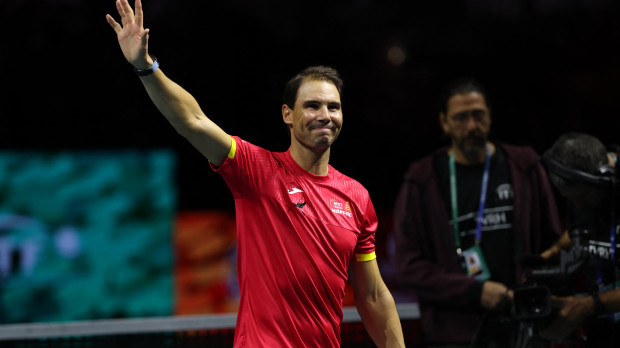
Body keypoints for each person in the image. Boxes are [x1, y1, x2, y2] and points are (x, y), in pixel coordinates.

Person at [105, 1, 405, 347]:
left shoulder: (356, 197)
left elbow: (372, 296)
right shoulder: (257, 171)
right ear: (287, 115)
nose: (325, 114)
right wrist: (145, 66)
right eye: (312, 105)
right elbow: (193, 120)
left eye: (333, 106)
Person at [392, 78, 563, 347]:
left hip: (526, 327)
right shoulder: (423, 180)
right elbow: (409, 267)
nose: (471, 126)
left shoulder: (524, 166)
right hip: (456, 334)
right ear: (444, 123)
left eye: (478, 115)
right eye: (460, 118)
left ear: (490, 117)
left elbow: (554, 243)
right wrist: (474, 292)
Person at [537, 132, 620, 347]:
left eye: (583, 197)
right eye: (572, 199)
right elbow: (581, 230)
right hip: (605, 323)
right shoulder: (582, 191)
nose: (579, 205)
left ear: (605, 177)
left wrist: (589, 306)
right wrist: (550, 253)